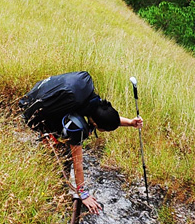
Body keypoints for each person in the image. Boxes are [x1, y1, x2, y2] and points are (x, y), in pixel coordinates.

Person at [19, 71, 143, 215]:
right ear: (95, 124)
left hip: (39, 91)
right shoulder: (76, 126)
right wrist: (83, 194)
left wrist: (130, 122)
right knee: (60, 147)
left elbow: (106, 118)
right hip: (34, 110)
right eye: (104, 130)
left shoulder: (91, 100)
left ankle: (52, 137)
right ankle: (48, 139)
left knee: (63, 134)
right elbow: (78, 164)